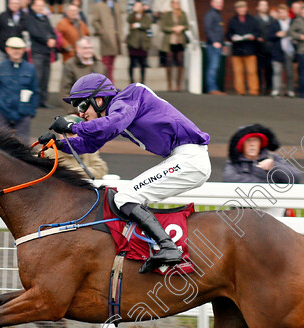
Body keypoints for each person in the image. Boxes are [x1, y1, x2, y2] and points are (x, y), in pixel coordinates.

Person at [45, 73, 211, 273]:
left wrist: (72, 126)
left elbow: (109, 125)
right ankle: (159, 246)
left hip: (189, 159)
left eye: (82, 106)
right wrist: (59, 144)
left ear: (99, 100)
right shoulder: (122, 109)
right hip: (184, 159)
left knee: (125, 197)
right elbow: (90, 143)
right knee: (126, 197)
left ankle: (168, 247)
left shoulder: (130, 96)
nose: (80, 114)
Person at [0, 36, 38, 141]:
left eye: (19, 48)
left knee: (22, 147)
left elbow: (35, 92)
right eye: (13, 48)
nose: (16, 51)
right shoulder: (1, 67)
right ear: (7, 49)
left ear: (24, 50)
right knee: (2, 146)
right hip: (2, 114)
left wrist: (31, 112)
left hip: (23, 115)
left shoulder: (30, 68)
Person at [223, 123, 301, 185]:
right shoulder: (234, 162)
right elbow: (230, 179)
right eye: (248, 140)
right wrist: (268, 185)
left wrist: (274, 167)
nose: (252, 144)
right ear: (242, 144)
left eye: (255, 140)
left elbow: (296, 178)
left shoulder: (273, 158)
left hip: (271, 204)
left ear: (261, 143)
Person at [60, 36, 104, 113]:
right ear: (77, 49)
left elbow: (108, 88)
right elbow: (64, 90)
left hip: (99, 111)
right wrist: (73, 110)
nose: (88, 50)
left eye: (90, 48)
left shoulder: (100, 65)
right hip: (79, 112)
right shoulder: (70, 65)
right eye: (85, 48)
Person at [25, 0, 56, 107]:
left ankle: (43, 101)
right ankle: (35, 101)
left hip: (47, 52)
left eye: (42, 6)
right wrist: (47, 40)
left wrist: (53, 39)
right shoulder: (29, 18)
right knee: (37, 78)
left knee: (45, 78)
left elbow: (52, 31)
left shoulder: (45, 17)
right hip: (37, 52)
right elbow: (34, 33)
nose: (40, 7)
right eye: (38, 5)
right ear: (33, 6)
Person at [226, 0, 260, 96]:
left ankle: (253, 90)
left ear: (246, 8)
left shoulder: (252, 20)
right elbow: (228, 34)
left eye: (243, 7)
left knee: (251, 71)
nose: (242, 9)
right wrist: (232, 37)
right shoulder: (232, 20)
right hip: (237, 49)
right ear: (236, 9)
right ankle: (240, 91)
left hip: (250, 49)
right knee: (238, 72)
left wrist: (253, 36)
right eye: (240, 8)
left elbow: (258, 32)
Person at [88, 0, 124, 82]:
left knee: (111, 63)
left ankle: (110, 82)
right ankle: (105, 82)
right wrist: (102, 31)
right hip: (106, 38)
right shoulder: (99, 6)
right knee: (105, 63)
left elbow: (119, 20)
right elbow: (94, 21)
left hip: (116, 37)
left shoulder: (116, 5)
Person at [159, 0, 187, 92]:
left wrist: (182, 27)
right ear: (171, 4)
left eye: (178, 2)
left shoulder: (183, 14)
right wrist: (172, 28)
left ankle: (178, 84)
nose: (176, 4)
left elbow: (187, 25)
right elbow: (163, 27)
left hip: (180, 40)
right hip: (170, 40)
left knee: (180, 61)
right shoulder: (167, 15)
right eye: (174, 2)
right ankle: (169, 83)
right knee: (169, 61)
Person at [126, 0, 151, 84]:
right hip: (133, 43)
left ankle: (142, 81)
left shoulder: (145, 17)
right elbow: (129, 20)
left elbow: (147, 25)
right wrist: (134, 12)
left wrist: (138, 25)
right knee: (132, 63)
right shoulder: (132, 16)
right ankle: (131, 80)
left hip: (142, 43)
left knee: (142, 63)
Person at [254, 0, 274, 96]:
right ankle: (259, 87)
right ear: (258, 7)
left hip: (269, 48)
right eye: (262, 5)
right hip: (259, 48)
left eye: (265, 5)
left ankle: (268, 88)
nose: (264, 7)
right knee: (258, 69)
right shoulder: (255, 19)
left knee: (269, 69)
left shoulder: (271, 19)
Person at [203, 0, 224, 95]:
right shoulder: (210, 14)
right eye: (217, 2)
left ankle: (213, 88)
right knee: (213, 67)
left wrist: (221, 43)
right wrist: (214, 41)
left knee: (215, 67)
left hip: (218, 45)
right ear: (212, 3)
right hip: (213, 45)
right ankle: (212, 88)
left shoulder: (217, 14)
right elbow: (208, 29)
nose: (220, 4)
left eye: (221, 2)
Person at [275, 4, 295, 97]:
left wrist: (288, 34)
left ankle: (290, 90)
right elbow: (269, 35)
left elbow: (295, 33)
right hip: (278, 50)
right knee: (277, 72)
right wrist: (277, 35)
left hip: (289, 50)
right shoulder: (275, 23)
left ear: (287, 13)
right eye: (280, 12)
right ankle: (277, 90)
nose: (282, 14)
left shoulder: (292, 23)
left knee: (290, 72)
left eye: (284, 12)